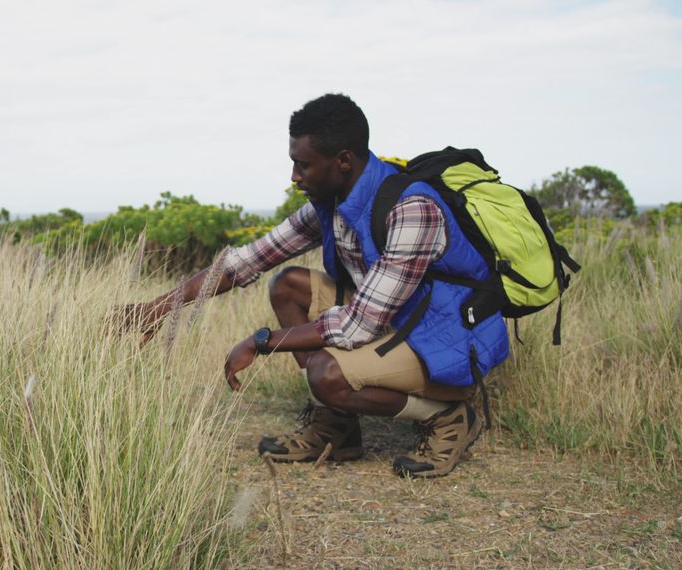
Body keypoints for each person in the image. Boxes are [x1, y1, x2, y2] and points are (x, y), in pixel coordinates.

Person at [123, 93, 509, 477]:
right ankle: (337, 426)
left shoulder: (412, 210)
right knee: (288, 286)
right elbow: (244, 263)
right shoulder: (333, 202)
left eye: (303, 165)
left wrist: (261, 342)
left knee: (326, 372)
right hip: (399, 319)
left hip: (446, 337)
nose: (294, 177)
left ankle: (447, 415)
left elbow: (357, 326)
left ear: (343, 161)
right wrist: (159, 308)